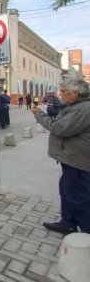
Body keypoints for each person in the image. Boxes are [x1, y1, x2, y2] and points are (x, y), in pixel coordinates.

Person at [32, 78, 90, 234]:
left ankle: (85, 232)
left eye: (64, 91)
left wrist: (39, 114)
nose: (61, 94)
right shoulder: (76, 105)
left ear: (75, 93)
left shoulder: (83, 108)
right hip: (73, 158)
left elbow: (60, 128)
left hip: (78, 160)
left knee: (79, 196)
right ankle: (68, 222)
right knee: (68, 190)